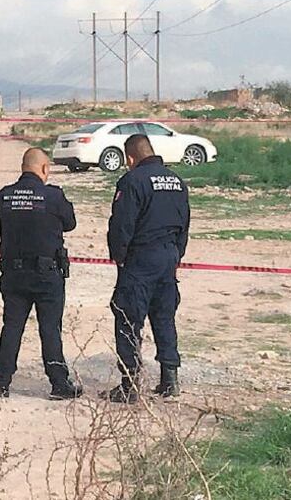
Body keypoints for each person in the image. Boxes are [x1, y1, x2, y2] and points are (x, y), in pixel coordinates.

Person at [103, 134, 190, 403]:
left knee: (128, 319)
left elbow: (121, 225)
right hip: (168, 258)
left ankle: (129, 384)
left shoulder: (132, 181)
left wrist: (119, 257)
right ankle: (169, 379)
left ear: (130, 158)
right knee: (164, 317)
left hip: (141, 259)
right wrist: (176, 255)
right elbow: (184, 223)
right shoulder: (177, 181)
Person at [0, 148, 83, 400]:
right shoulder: (53, 196)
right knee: (50, 329)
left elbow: (3, 213)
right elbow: (70, 223)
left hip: (13, 272)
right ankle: (58, 383)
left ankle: (2, 382)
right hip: (46, 273)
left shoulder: (3, 196)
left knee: (11, 327)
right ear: (44, 169)